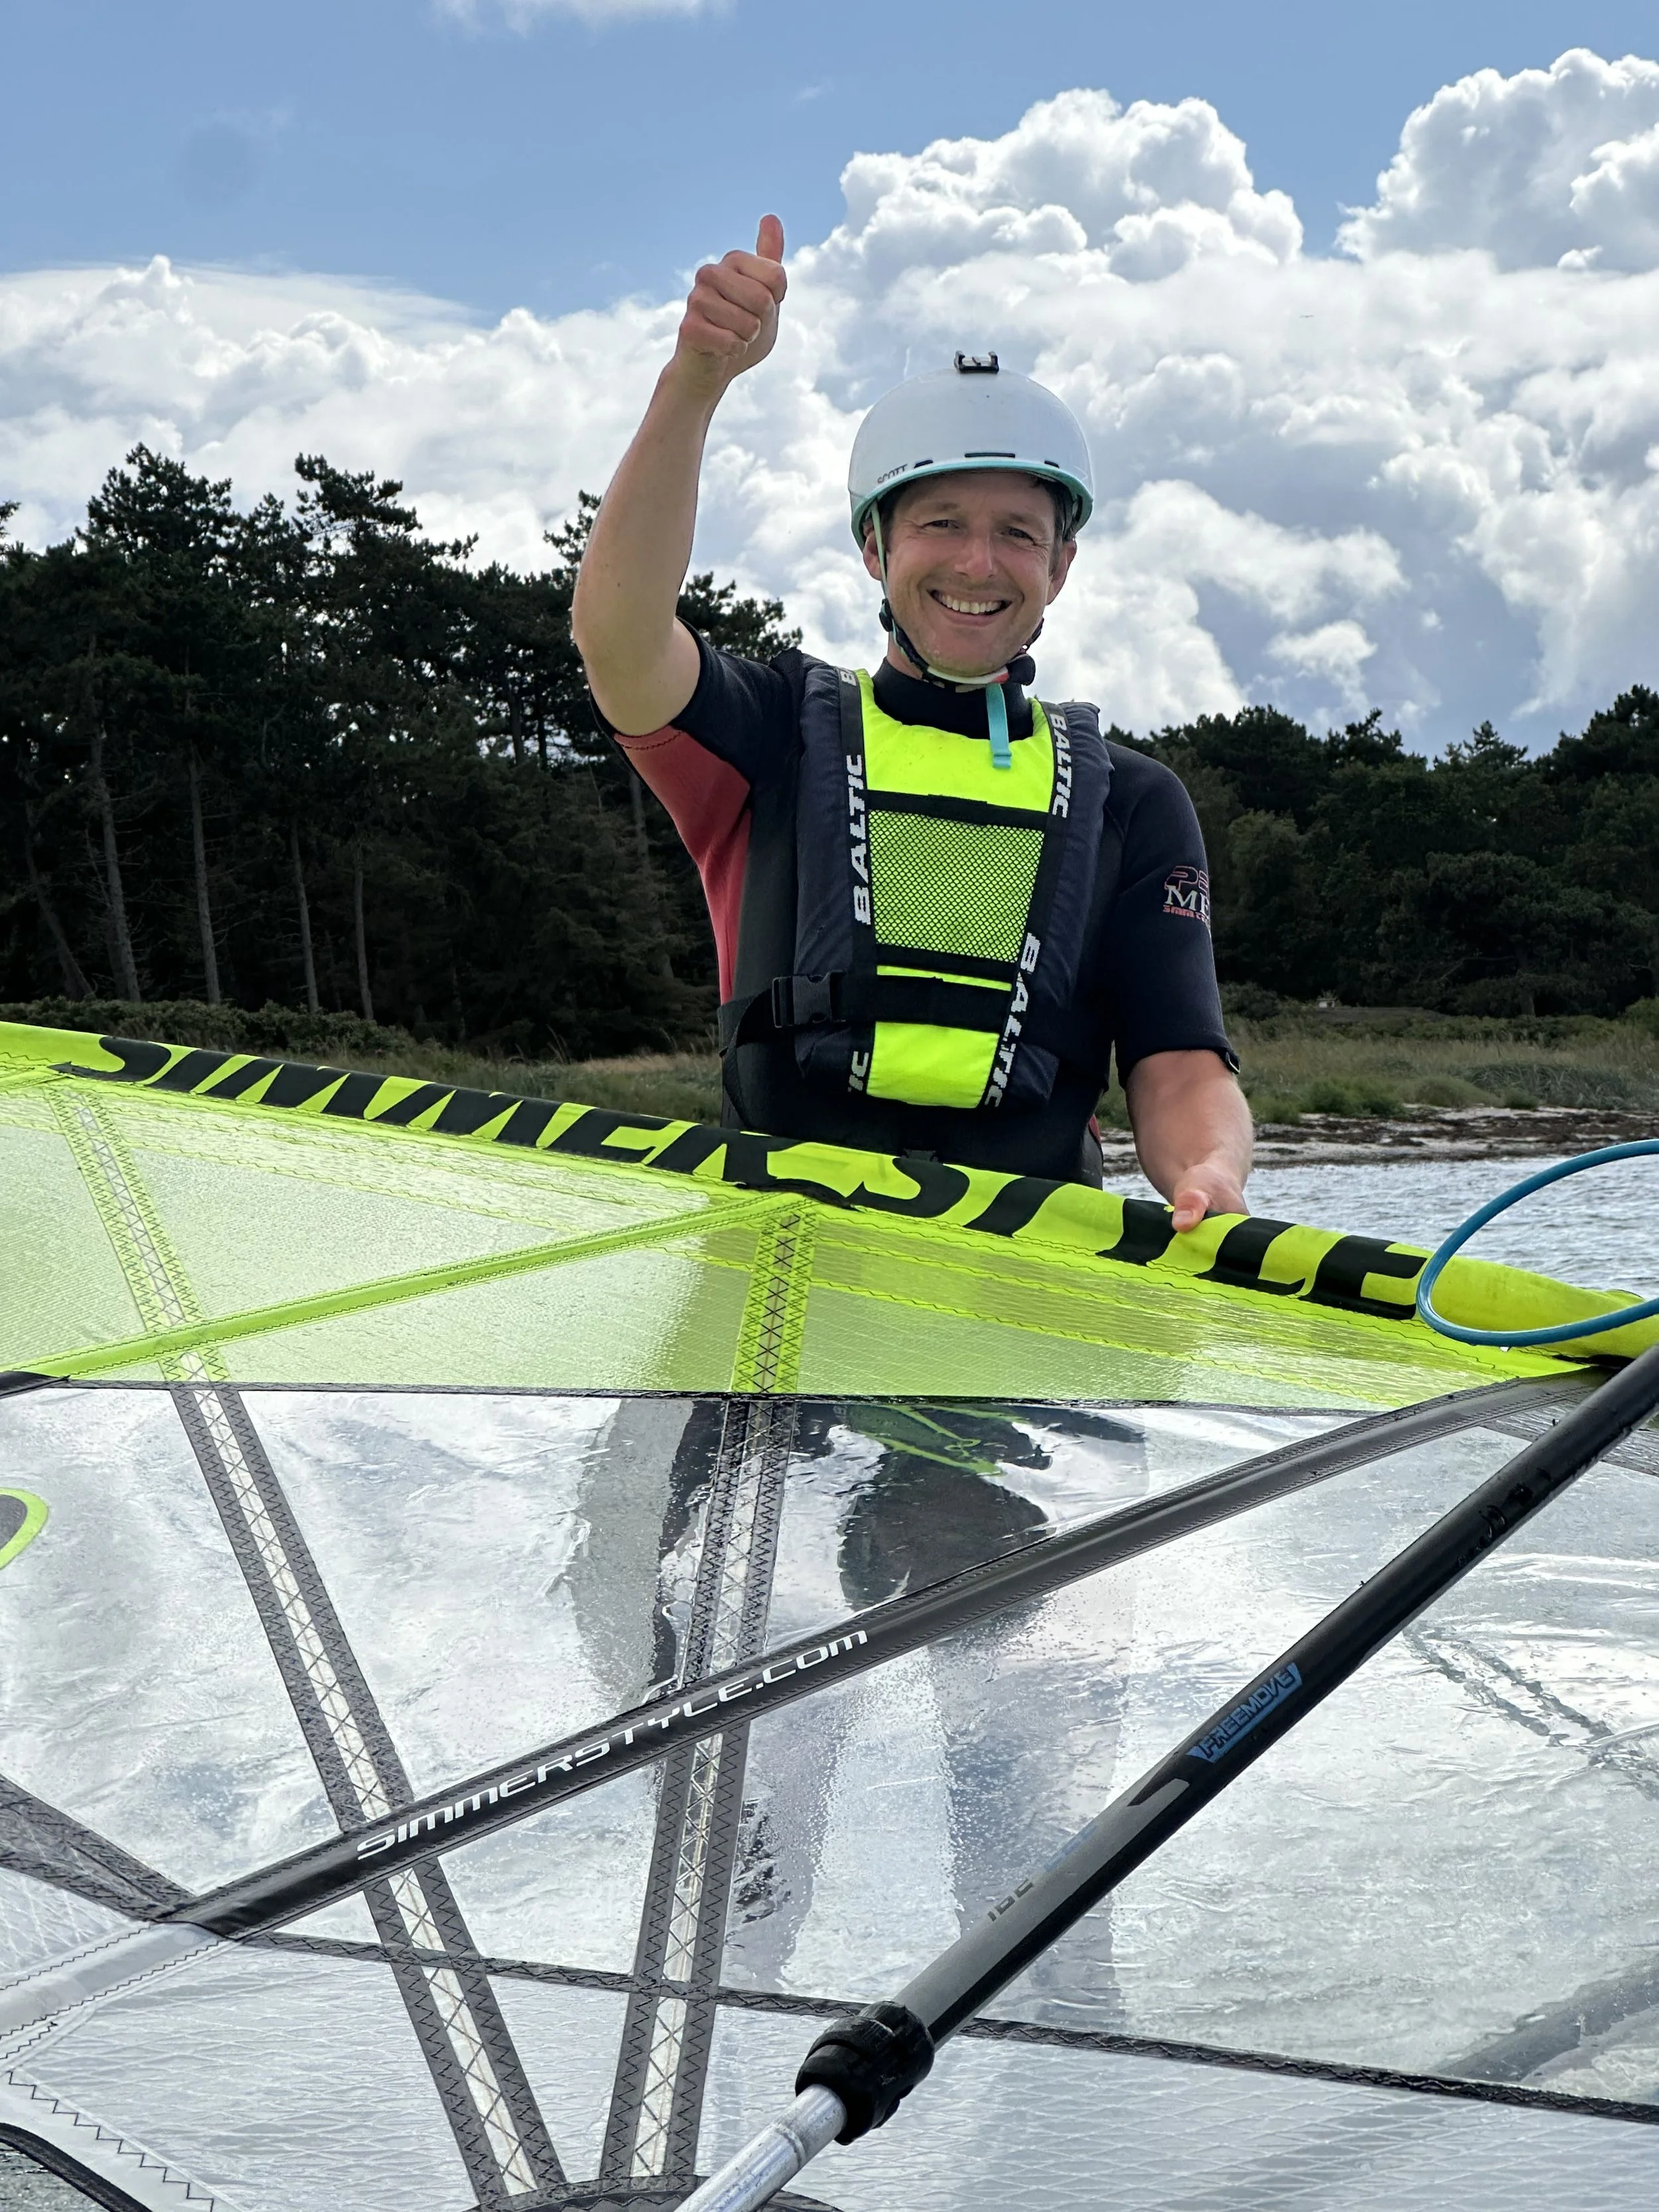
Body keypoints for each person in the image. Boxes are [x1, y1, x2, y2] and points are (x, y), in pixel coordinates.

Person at [573, 216, 1251, 1223]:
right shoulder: (773, 737)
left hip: (1020, 1315)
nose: (979, 565)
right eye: (940, 524)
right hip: (772, 1294)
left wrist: (1209, 1175)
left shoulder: (1136, 804)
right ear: (874, 548)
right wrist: (696, 381)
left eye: (1017, 535)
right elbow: (620, 638)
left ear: (1060, 566)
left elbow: (1179, 1061)